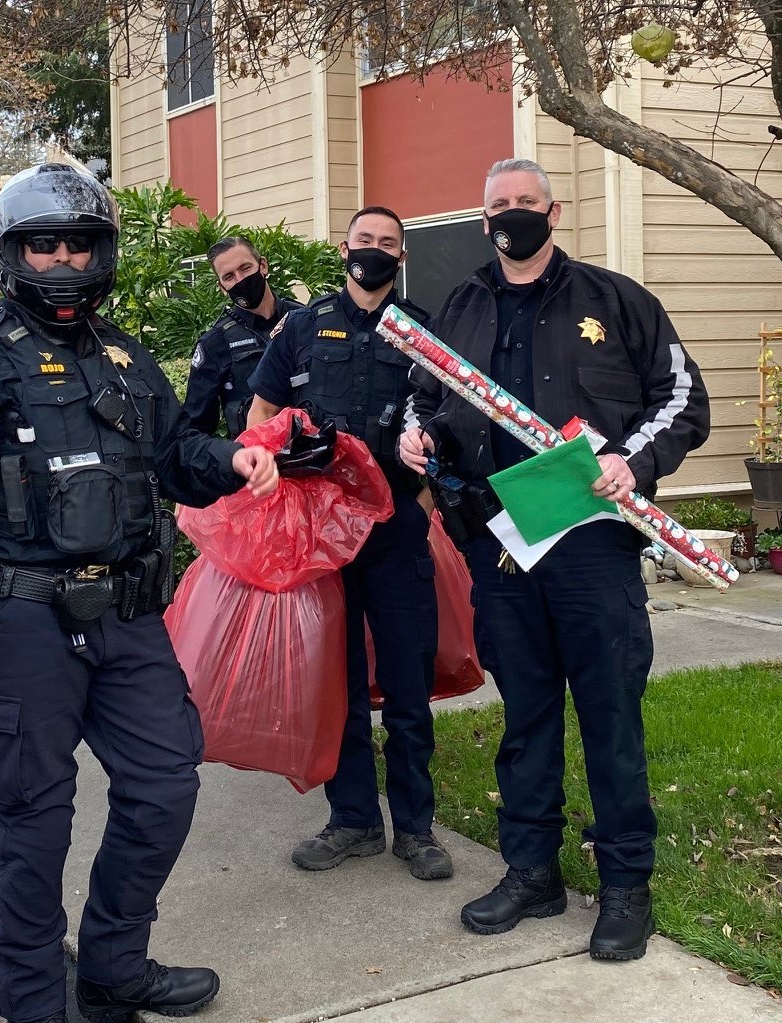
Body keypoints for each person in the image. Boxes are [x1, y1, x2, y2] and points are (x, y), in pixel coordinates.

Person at [0, 162, 278, 1023]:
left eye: (78, 242)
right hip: (22, 624)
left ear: (103, 251)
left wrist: (233, 461)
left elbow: (177, 456)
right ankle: (33, 1005)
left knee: (165, 786)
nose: (61, 259)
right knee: (33, 821)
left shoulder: (127, 357)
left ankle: (112, 968)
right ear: (13, 252)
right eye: (42, 243)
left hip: (130, 618)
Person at [399, 158, 710, 960]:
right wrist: (418, 433)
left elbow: (682, 401)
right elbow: (425, 393)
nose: (512, 215)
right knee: (526, 715)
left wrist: (631, 464)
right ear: (482, 220)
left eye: (525, 203)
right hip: (497, 547)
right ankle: (530, 870)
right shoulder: (461, 304)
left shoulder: (615, 300)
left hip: (589, 545)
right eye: (497, 204)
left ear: (553, 211)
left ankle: (623, 884)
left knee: (609, 713)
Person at [248, 206, 451, 882]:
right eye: (364, 241)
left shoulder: (421, 330)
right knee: (335, 680)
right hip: (322, 537)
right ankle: (354, 819)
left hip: (395, 531)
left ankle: (416, 828)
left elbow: (450, 419)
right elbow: (261, 415)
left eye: (387, 243)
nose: (374, 251)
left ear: (400, 256)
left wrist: (420, 505)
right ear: (343, 250)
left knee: (405, 682)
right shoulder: (301, 327)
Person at [182, 236, 303, 438]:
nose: (240, 280)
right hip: (255, 459)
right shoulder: (215, 342)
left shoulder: (303, 320)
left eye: (245, 268)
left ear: (262, 265)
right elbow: (196, 429)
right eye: (229, 276)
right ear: (221, 287)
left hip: (313, 455)